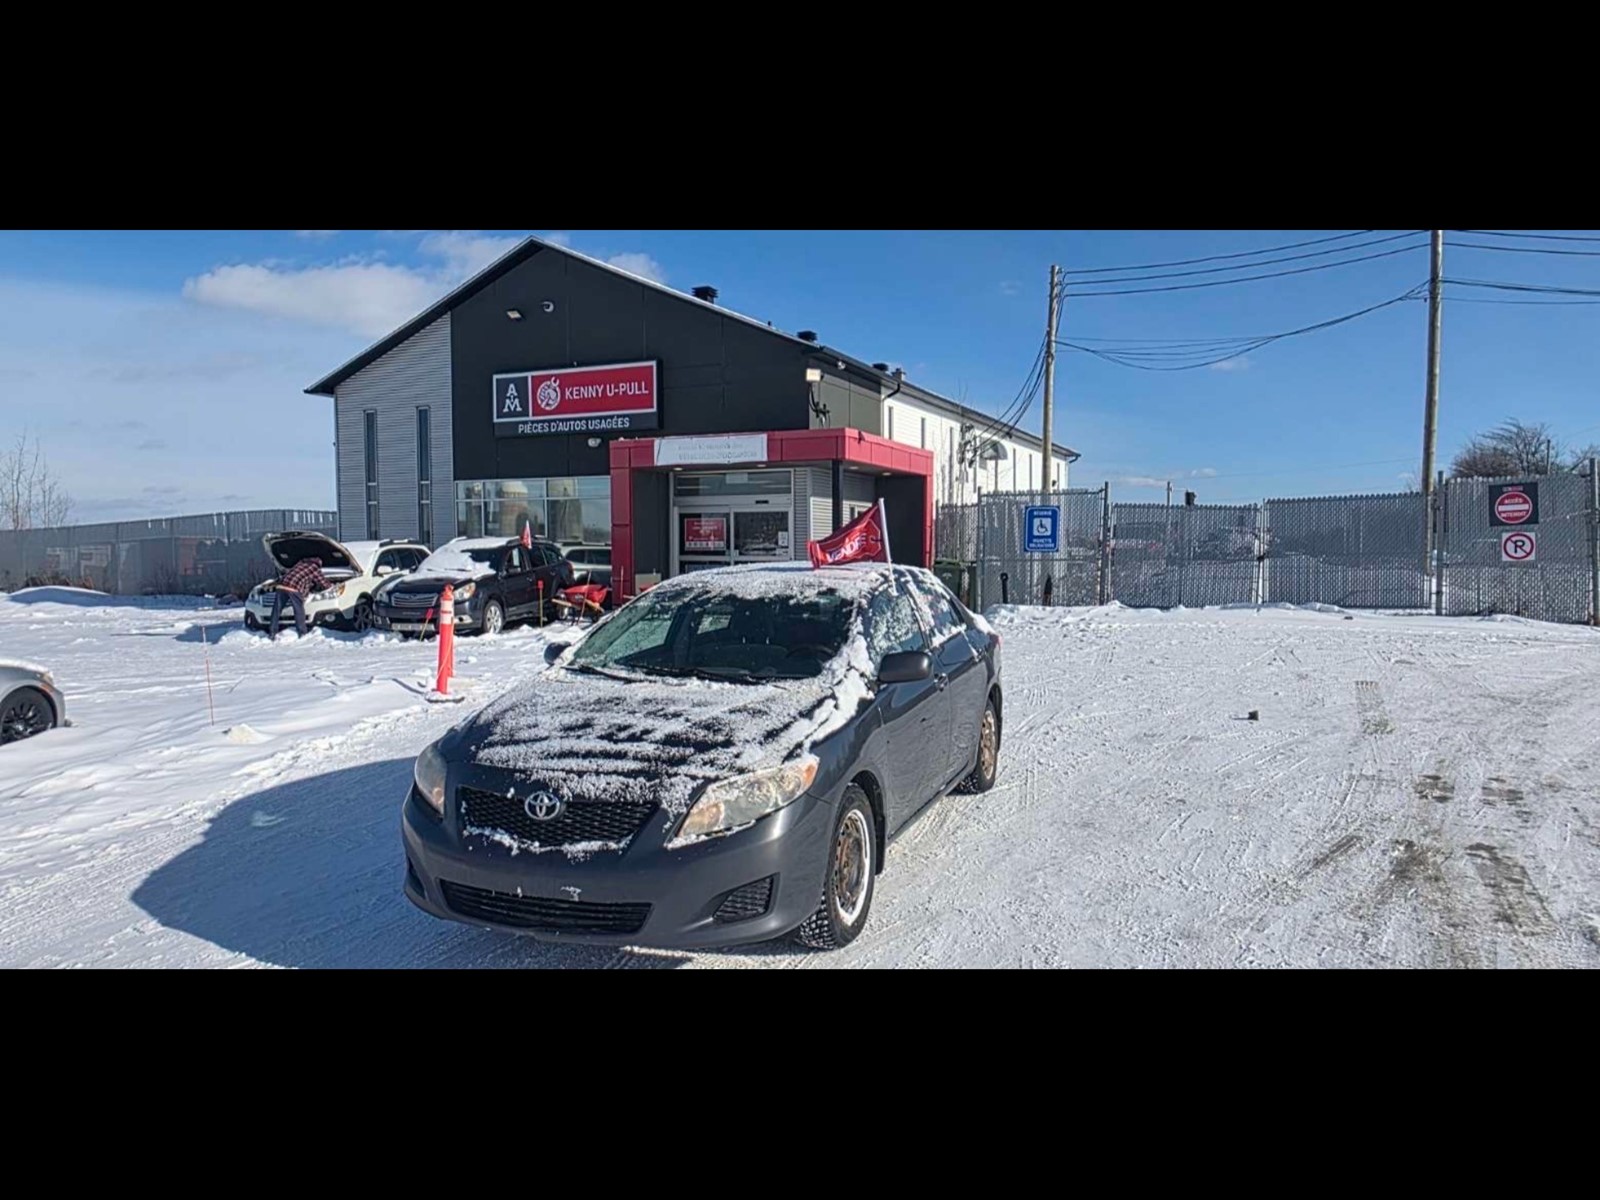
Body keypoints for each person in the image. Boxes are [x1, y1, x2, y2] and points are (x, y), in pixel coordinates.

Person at [269, 556, 330, 640]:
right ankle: (302, 632)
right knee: (299, 610)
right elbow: (322, 581)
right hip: (293, 588)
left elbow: (301, 580)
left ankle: (272, 632)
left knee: (276, 610)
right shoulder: (314, 568)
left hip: (281, 585)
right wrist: (331, 586)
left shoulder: (300, 564)